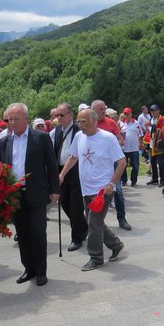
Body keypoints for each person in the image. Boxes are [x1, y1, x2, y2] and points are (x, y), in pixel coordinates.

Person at [0, 103, 59, 286]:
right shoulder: (4, 142)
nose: (13, 123)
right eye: (10, 119)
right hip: (14, 195)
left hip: (37, 193)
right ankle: (29, 269)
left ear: (26, 118)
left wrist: (55, 189)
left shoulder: (41, 138)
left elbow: (52, 165)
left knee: (38, 233)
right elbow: (0, 169)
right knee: (22, 235)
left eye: (17, 119)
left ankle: (41, 271)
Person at [59, 109, 125, 271]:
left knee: (93, 223)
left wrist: (111, 184)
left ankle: (96, 257)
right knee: (95, 222)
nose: (80, 125)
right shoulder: (78, 136)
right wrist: (61, 175)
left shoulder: (107, 138)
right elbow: (73, 156)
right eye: (79, 121)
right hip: (85, 189)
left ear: (94, 121)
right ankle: (115, 244)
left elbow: (122, 162)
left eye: (83, 121)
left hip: (103, 189)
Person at [51, 103, 88, 252]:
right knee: (65, 203)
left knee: (75, 205)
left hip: (75, 171)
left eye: (61, 115)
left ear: (70, 115)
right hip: (61, 171)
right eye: (57, 115)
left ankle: (76, 237)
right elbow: (56, 151)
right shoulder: (58, 131)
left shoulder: (79, 130)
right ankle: (83, 226)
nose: (58, 118)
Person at [91, 100, 132, 231]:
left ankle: (122, 219)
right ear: (93, 111)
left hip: (113, 163)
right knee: (91, 193)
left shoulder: (111, 123)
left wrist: (113, 143)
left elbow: (121, 139)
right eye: (101, 109)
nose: (103, 111)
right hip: (95, 165)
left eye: (104, 108)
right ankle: (92, 222)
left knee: (118, 191)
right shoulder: (89, 124)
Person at [119, 108, 143, 186]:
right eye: (125, 114)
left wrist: (141, 144)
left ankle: (133, 180)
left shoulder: (136, 123)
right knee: (123, 166)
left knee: (135, 166)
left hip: (134, 148)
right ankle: (124, 180)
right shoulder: (120, 123)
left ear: (131, 114)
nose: (126, 116)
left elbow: (140, 135)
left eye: (127, 114)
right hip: (124, 148)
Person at [147, 104, 164, 187]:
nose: (153, 112)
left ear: (158, 111)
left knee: (161, 163)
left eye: (155, 110)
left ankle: (163, 180)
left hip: (159, 144)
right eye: (152, 110)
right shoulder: (152, 119)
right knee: (153, 162)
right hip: (152, 144)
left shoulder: (162, 119)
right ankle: (155, 178)